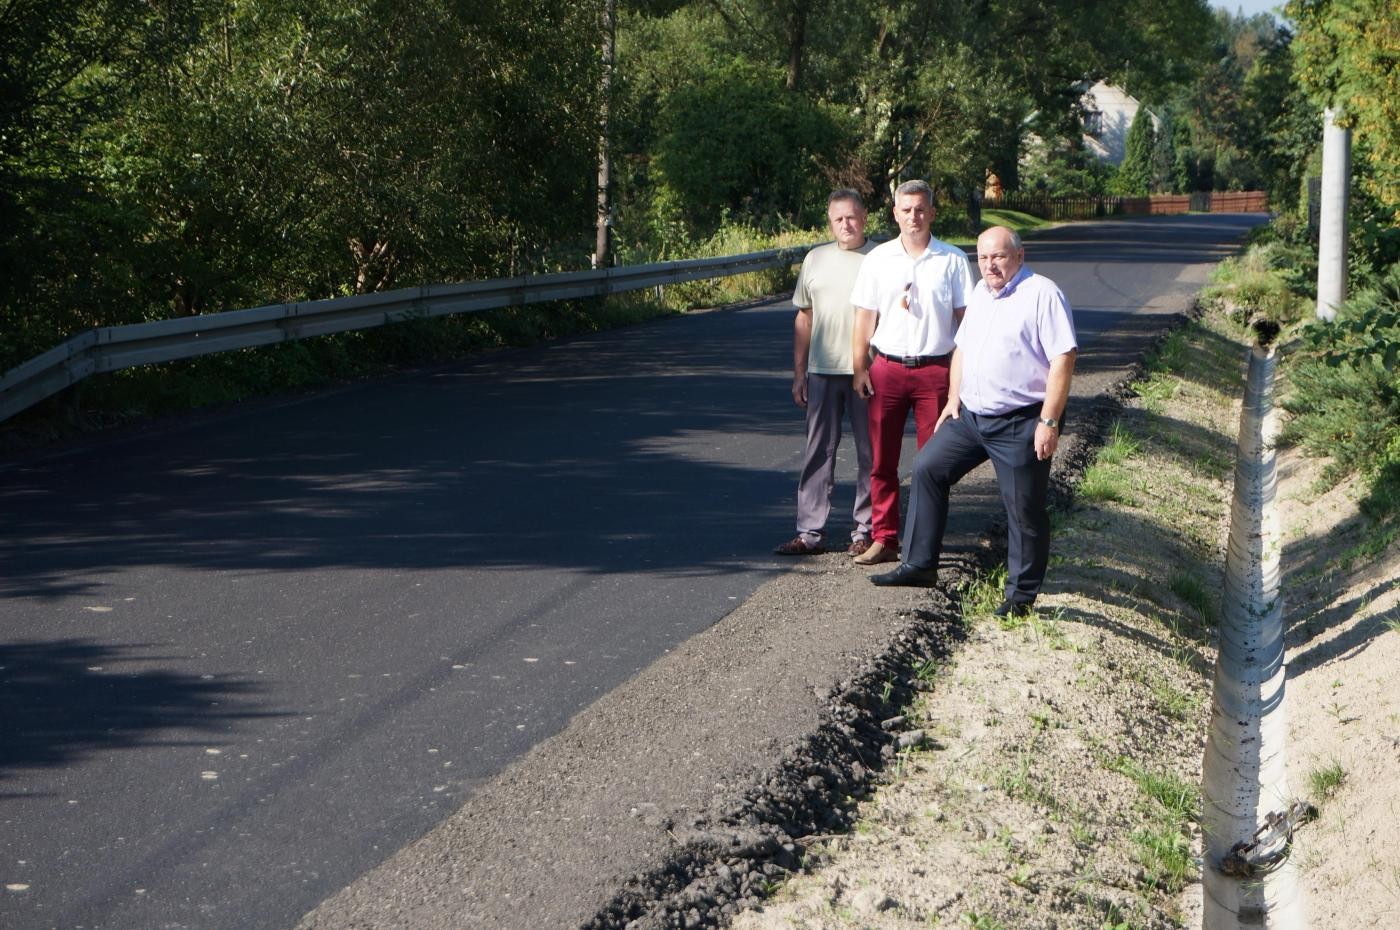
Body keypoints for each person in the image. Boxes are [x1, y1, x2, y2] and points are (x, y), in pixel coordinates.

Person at [871, 226, 1078, 619]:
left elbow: (1063, 359)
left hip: (1021, 421)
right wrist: (953, 398)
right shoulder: (981, 293)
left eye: (998, 256)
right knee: (928, 468)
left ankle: (1020, 598)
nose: (990, 265)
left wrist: (1048, 421)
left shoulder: (1043, 294)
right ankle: (920, 565)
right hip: (971, 417)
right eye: (983, 258)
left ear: (1019, 255)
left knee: (1022, 508)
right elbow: (962, 348)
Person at [848, 180, 974, 566]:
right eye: (906, 210)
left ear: (932, 213)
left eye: (920, 209)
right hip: (886, 368)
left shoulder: (952, 260)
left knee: (931, 463)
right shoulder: (878, 259)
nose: (913, 217)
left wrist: (959, 384)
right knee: (881, 460)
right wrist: (859, 367)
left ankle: (923, 544)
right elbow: (864, 317)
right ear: (895, 213)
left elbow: (967, 326)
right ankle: (884, 538)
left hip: (935, 371)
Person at [774, 190, 877, 557]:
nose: (846, 225)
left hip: (868, 371)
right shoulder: (815, 259)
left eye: (851, 217)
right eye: (838, 219)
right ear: (830, 222)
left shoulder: (880, 258)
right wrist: (799, 372)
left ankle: (865, 531)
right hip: (822, 369)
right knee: (818, 452)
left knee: (871, 453)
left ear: (864, 217)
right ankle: (809, 533)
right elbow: (804, 317)